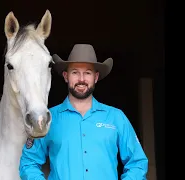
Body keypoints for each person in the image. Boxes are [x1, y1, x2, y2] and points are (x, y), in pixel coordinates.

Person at [19, 44, 148, 180]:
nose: (81, 79)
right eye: (75, 72)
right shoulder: (48, 119)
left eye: (87, 73)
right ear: (66, 76)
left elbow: (137, 163)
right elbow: (28, 163)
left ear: (96, 77)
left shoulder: (116, 117)